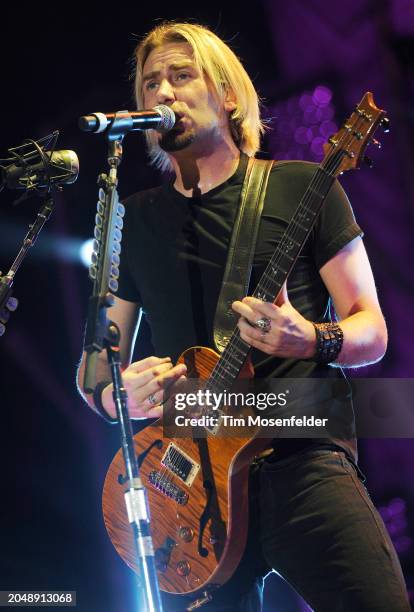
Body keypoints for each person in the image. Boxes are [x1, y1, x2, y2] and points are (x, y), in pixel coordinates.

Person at [77, 21, 411, 612]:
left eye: (181, 76)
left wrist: (310, 337)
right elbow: (94, 368)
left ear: (229, 93)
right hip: (187, 484)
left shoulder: (303, 187)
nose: (162, 94)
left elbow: (373, 330)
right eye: (150, 84)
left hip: (302, 456)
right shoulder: (132, 220)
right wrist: (116, 396)